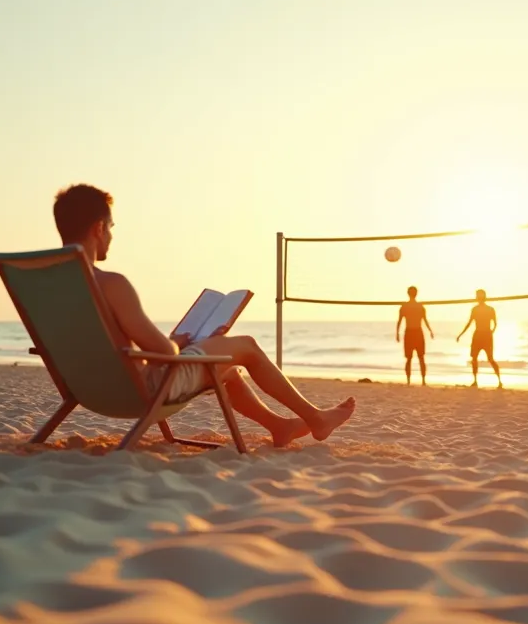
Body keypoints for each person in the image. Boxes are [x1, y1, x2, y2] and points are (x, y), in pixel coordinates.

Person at [52, 184, 355, 446]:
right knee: (246, 346)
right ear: (99, 228)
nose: (111, 236)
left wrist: (180, 345)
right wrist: (178, 343)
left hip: (90, 390)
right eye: (111, 227)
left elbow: (106, 348)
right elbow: (162, 352)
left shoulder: (47, 283)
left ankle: (280, 427)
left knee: (225, 367)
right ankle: (316, 419)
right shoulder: (110, 284)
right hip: (143, 390)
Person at [456, 289, 502, 388]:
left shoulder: (488, 309)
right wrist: (460, 334)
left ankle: (499, 381)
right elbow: (470, 323)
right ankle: (476, 381)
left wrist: (492, 331)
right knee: (475, 358)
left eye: (478, 296)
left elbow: (495, 323)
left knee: (489, 358)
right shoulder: (476, 309)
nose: (477, 298)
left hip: (485, 334)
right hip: (480, 335)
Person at [395, 286, 435, 385]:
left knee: (418, 358)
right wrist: (397, 333)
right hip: (411, 332)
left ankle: (421, 380)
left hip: (416, 332)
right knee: (413, 358)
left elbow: (425, 320)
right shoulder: (407, 307)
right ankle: (414, 381)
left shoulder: (418, 307)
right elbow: (399, 321)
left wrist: (430, 330)